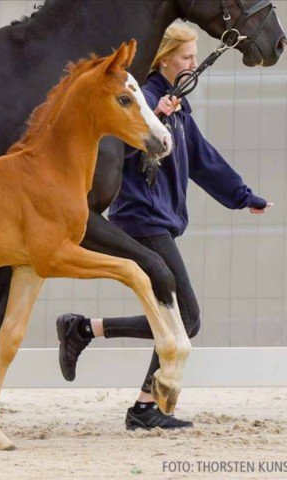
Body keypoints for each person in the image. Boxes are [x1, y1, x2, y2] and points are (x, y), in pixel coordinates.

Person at [56, 24, 272, 430]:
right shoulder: (142, 101)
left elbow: (202, 159)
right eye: (187, 56)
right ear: (164, 58)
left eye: (194, 56)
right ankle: (143, 404)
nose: (193, 63)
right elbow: (111, 156)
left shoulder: (177, 104)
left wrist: (244, 196)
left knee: (176, 317)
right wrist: (152, 119)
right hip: (141, 219)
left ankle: (85, 330)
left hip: (160, 220)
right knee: (185, 317)